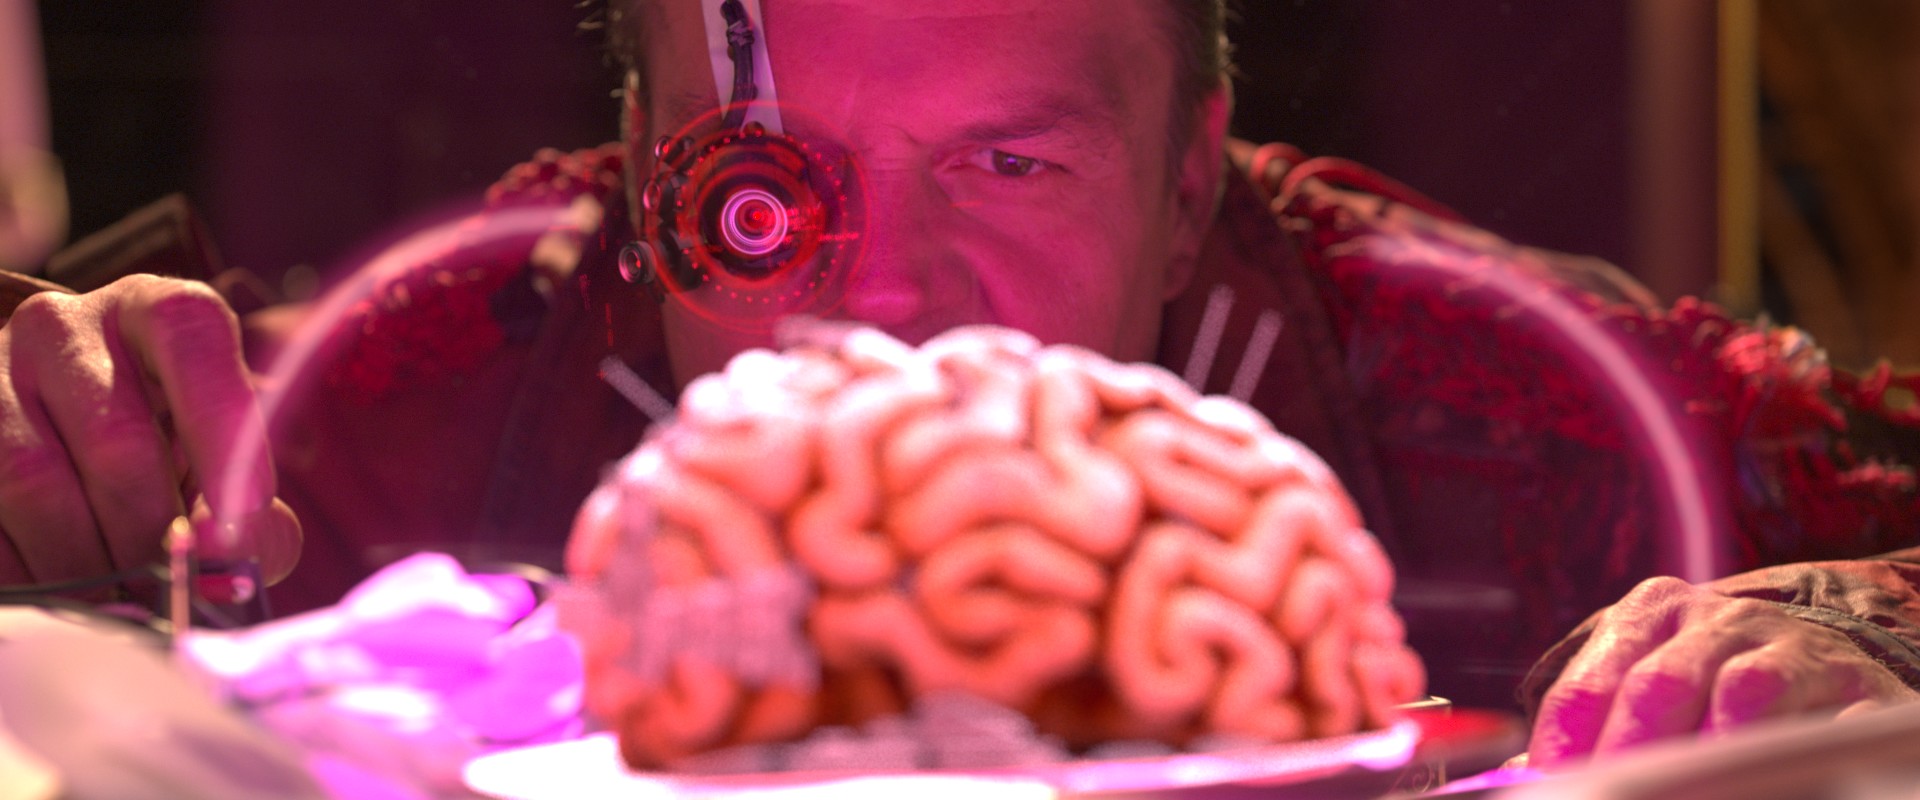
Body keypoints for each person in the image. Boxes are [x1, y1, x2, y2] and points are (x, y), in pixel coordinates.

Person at [2, 0, 1918, 769]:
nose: (885, 288)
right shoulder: (466, 359)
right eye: (767, 191)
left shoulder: (1505, 385)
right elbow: (113, 433)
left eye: (1008, 163)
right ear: (641, 162)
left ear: (1193, 183)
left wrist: (1858, 616)